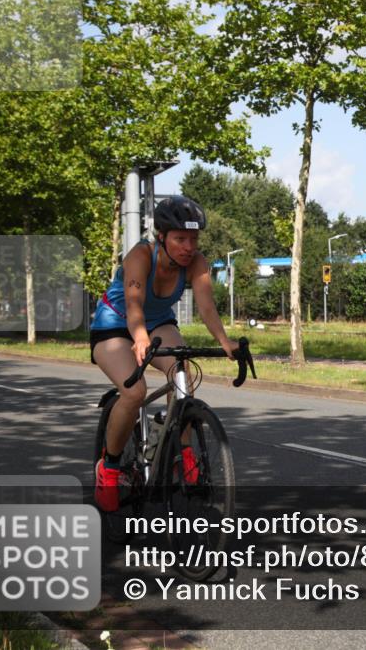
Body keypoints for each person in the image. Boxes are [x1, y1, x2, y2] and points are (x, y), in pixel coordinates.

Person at [90, 195, 238, 512]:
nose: (188, 247)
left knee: (182, 372)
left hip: (157, 323)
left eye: (193, 240)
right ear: (162, 236)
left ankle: (181, 456)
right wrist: (139, 336)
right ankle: (110, 469)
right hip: (113, 323)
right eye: (180, 239)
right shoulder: (141, 255)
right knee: (134, 392)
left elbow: (207, 305)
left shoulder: (196, 262)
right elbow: (133, 303)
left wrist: (224, 341)